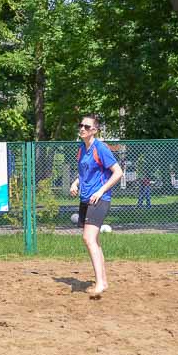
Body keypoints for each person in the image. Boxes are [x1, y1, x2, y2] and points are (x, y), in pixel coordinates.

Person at [69, 116, 123, 298]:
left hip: (100, 198)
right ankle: (104, 281)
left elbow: (118, 172)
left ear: (94, 130)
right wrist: (75, 183)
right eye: (80, 125)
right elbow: (84, 172)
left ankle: (99, 283)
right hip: (86, 199)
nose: (82, 128)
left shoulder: (100, 148)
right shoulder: (82, 149)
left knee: (88, 238)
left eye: (86, 126)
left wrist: (100, 191)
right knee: (94, 241)